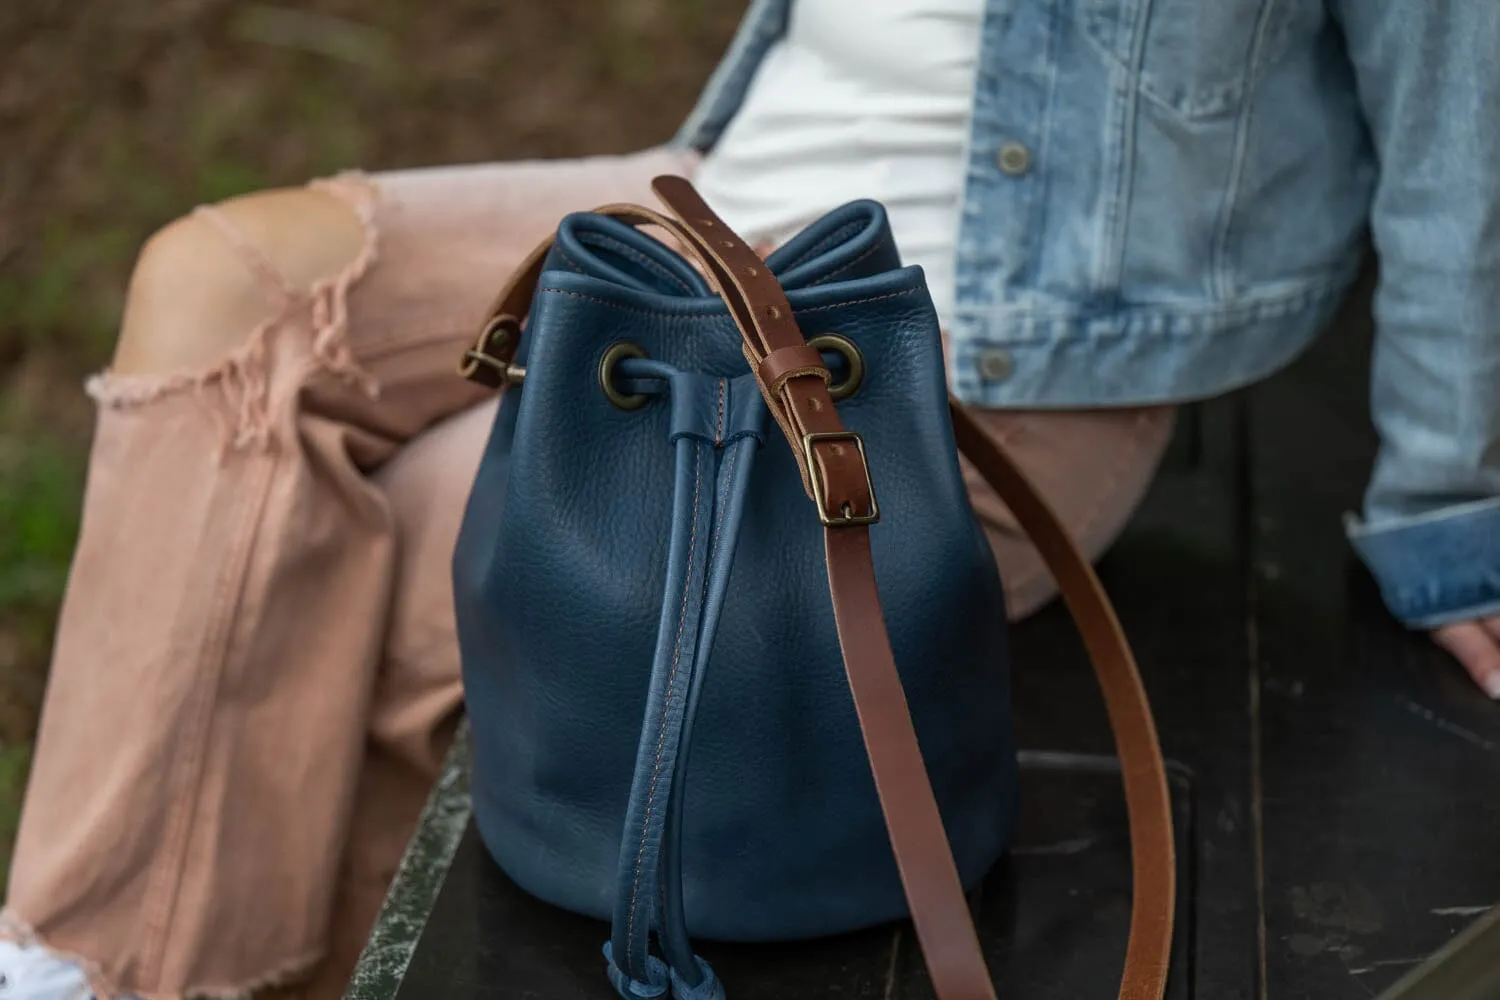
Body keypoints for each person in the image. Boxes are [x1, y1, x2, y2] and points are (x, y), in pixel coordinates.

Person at [3, 1, 1497, 997]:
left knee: (398, 548)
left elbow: (1460, 116)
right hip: (713, 194)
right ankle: (65, 968)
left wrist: (1453, 517)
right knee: (216, 283)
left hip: (982, 351)